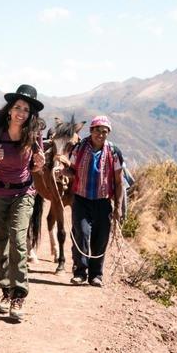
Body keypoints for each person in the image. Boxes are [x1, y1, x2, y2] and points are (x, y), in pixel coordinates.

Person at [0, 85, 45, 321]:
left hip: (23, 192)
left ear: (30, 114)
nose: (21, 112)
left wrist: (40, 163)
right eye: (17, 107)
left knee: (18, 240)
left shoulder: (34, 135)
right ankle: (5, 290)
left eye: (26, 110)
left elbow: (36, 166)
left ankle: (19, 294)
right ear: (9, 109)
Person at [64, 115, 125, 287]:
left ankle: (96, 275)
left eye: (104, 131)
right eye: (97, 130)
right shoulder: (79, 149)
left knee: (100, 238)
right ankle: (80, 273)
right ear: (91, 131)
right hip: (82, 199)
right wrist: (62, 172)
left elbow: (119, 181)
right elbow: (72, 171)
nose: (101, 134)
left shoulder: (114, 152)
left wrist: (118, 207)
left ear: (108, 134)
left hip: (103, 202)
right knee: (81, 234)